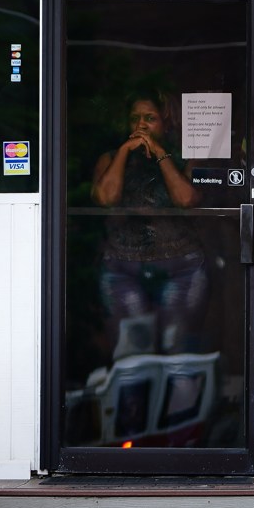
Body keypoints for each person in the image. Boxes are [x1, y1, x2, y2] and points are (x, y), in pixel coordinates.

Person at [90, 91, 207, 356]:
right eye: (135, 119)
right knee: (133, 355)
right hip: (123, 268)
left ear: (165, 123)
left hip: (181, 268)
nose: (141, 125)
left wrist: (161, 154)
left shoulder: (185, 157)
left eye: (150, 118)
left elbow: (186, 199)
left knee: (176, 352)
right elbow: (106, 198)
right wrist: (123, 152)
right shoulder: (110, 158)